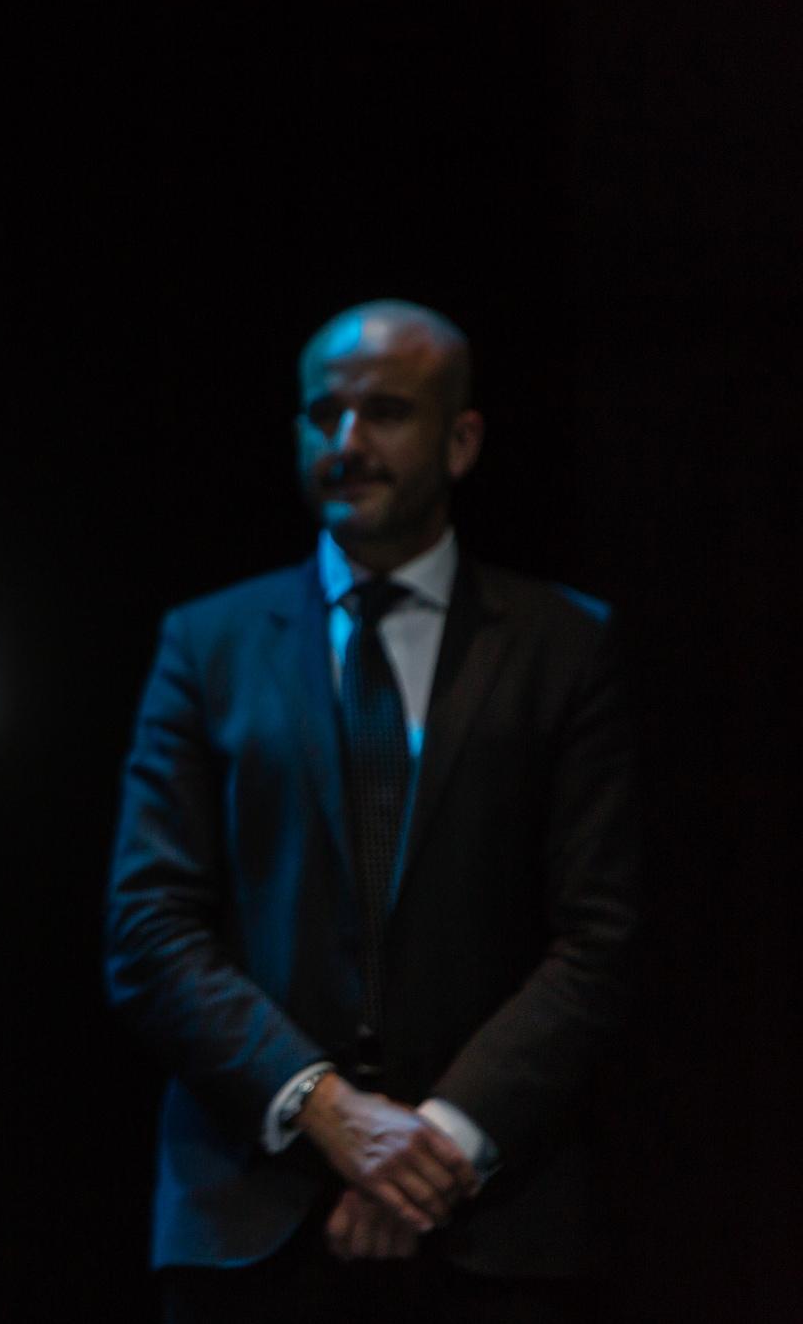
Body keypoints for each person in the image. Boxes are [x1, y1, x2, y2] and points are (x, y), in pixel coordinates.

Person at [105, 300, 638, 1322]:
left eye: (384, 412)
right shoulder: (205, 644)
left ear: (461, 437)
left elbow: (600, 940)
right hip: (249, 1227)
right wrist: (327, 1111)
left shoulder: (564, 646)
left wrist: (433, 1140)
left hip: (493, 1220)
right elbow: (147, 929)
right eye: (321, 415)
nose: (346, 443)